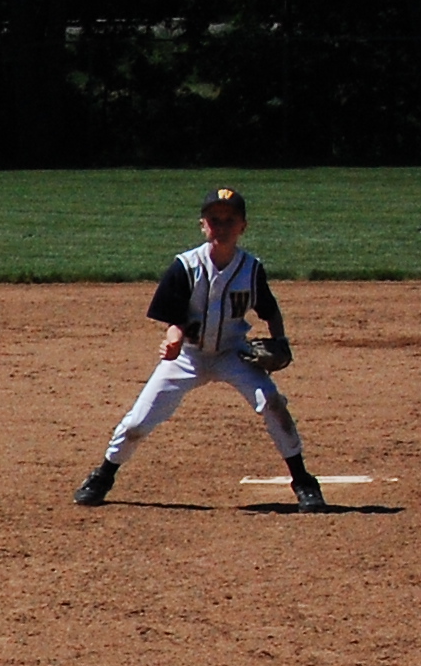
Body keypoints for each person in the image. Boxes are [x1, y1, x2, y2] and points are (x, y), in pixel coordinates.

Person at [73, 185, 327, 513]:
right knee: (138, 421)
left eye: (229, 220)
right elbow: (174, 318)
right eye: (214, 220)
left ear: (243, 226)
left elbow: (270, 310)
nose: (221, 227)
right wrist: (174, 339)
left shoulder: (251, 269)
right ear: (203, 225)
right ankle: (103, 475)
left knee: (272, 403)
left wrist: (280, 341)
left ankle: (304, 481)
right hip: (188, 356)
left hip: (233, 353)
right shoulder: (185, 266)